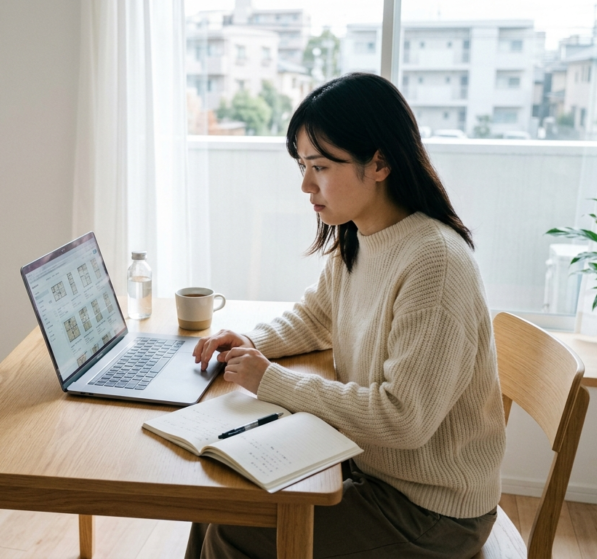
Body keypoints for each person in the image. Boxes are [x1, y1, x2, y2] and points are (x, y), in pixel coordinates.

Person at [185, 73, 507, 559]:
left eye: (320, 166)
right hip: (370, 470)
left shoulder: (434, 263)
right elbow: (316, 319)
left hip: (431, 512)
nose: (305, 185)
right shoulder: (360, 235)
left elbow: (404, 420)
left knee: (234, 534)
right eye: (301, 164)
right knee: (215, 502)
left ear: (379, 163)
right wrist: (248, 342)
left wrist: (270, 380)